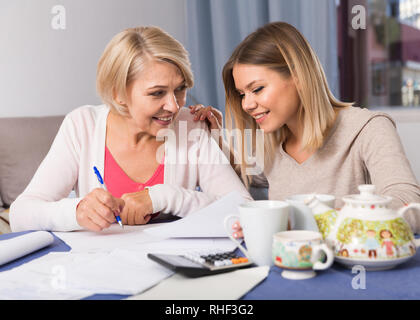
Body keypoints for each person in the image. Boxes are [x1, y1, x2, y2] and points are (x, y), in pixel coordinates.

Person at [10, 26, 251, 232]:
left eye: (180, 88)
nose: (174, 105)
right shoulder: (82, 126)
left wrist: (164, 197)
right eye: (157, 93)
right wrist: (76, 211)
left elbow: (244, 212)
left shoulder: (191, 126)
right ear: (118, 93)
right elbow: (20, 215)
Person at [190, 21, 420, 238]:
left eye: (257, 89)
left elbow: (409, 204)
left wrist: (304, 222)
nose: (246, 104)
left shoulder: (369, 128)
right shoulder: (271, 142)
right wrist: (216, 138)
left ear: (298, 76)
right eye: (242, 94)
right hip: (289, 270)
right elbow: (243, 174)